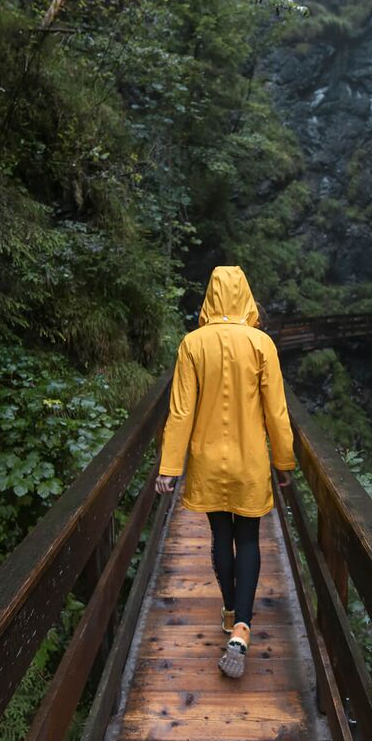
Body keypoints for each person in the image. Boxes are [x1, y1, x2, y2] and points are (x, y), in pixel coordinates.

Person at [155, 265, 295, 678]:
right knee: (249, 537)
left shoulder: (192, 344)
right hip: (250, 461)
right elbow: (276, 410)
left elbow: (180, 411)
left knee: (221, 536)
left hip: (208, 461)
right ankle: (242, 629)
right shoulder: (261, 344)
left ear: (211, 295)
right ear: (246, 296)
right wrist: (283, 460)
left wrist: (169, 467)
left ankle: (230, 608)